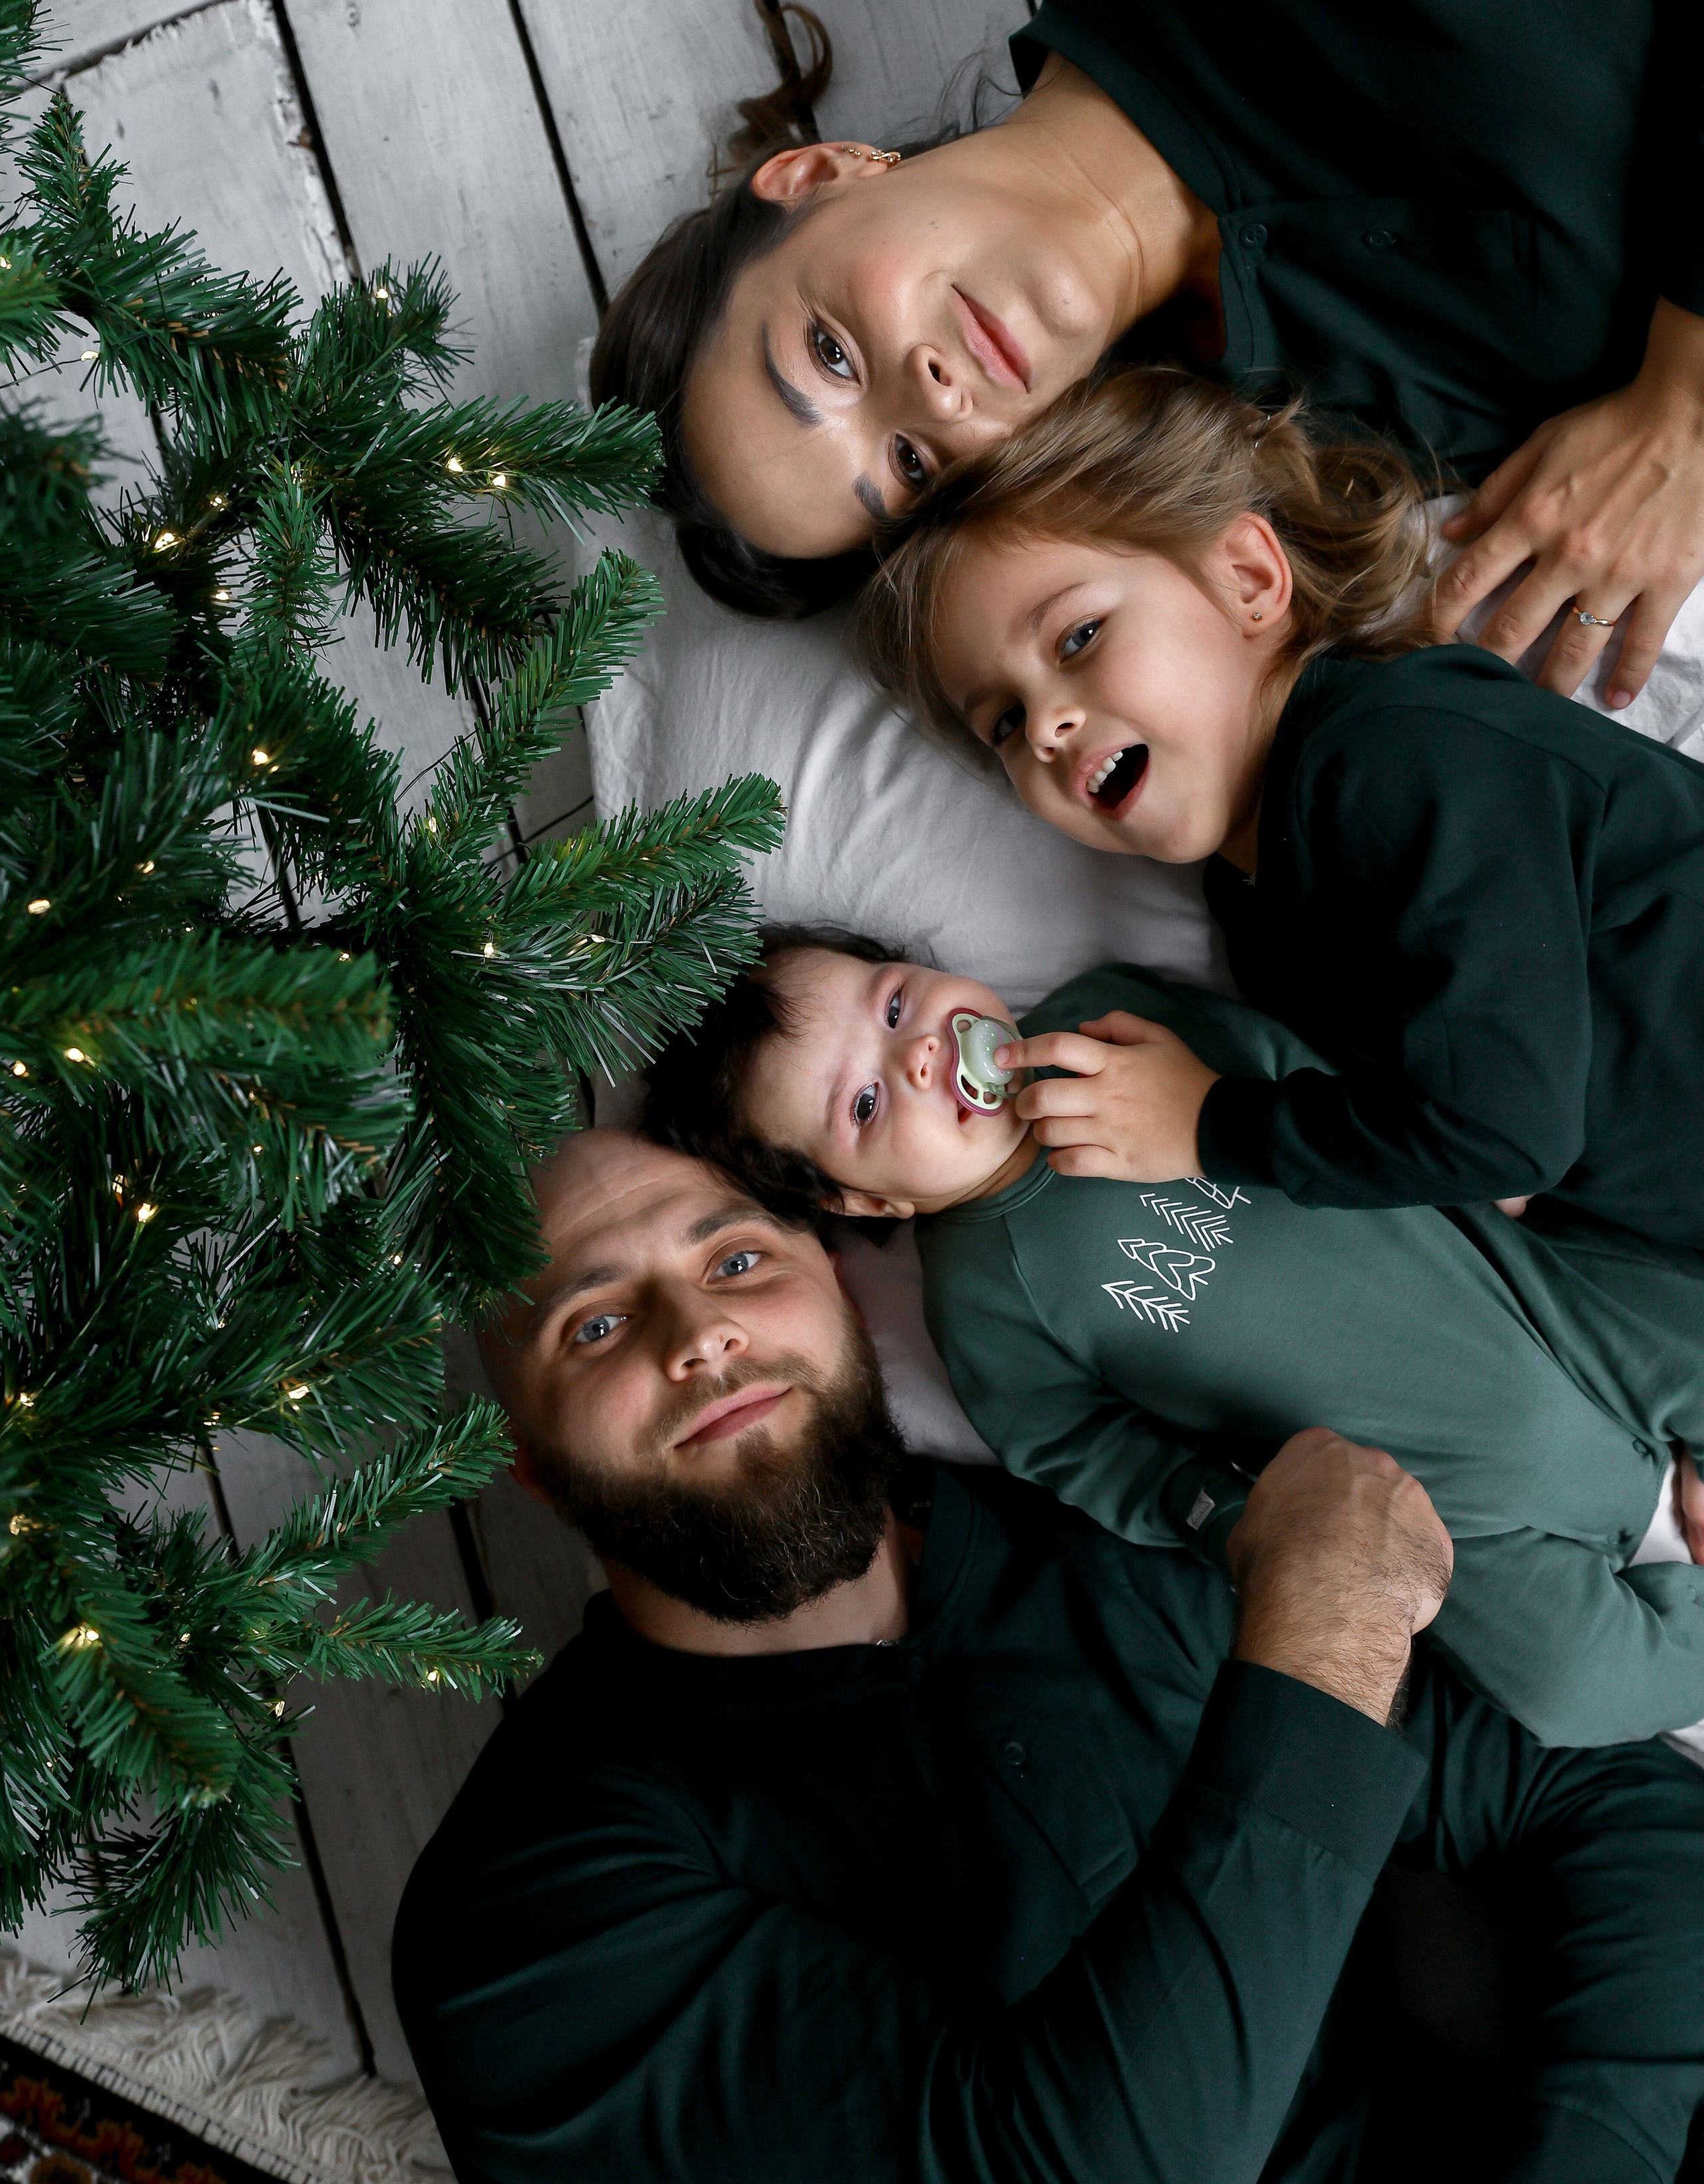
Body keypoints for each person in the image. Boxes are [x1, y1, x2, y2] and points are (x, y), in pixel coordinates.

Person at [392, 1123, 1704, 2184]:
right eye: (595, 1327)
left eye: (735, 1261)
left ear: (840, 1297)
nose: (700, 1337)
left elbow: (1608, 1800)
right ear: (531, 1470)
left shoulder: (1106, 1529)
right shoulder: (523, 1922)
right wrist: (1321, 1627)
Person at [590, 0, 1704, 700]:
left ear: (820, 175)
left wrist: (1684, 402)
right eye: (913, 469)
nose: (927, 398)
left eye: (829, 355)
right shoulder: (1313, 462)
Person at [639, 927, 1704, 1748]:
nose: (920, 1055)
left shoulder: (1110, 1023)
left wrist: (1226, 1098)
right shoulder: (985, 1302)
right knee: (1570, 1688)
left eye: (898, 1004)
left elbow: (1297, 1068)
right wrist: (1232, 1522)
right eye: (866, 1103)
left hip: (1525, 1299)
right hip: (1435, 1500)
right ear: (865, 1206)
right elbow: (1090, 1456)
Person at [853, 366, 1704, 1251]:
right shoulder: (1257, 910)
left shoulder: (1395, 755)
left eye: (1079, 637)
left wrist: (1208, 1125)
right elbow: (1484, 1138)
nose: (1045, 727)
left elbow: (1500, 1136)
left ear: (1248, 578)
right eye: (1003, 722)